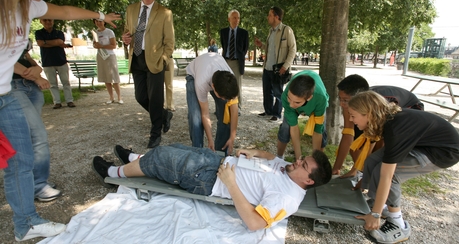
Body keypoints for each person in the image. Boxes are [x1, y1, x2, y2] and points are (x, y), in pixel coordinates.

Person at [1, 0, 120, 241]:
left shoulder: (27, 6)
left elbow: (65, 12)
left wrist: (101, 17)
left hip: (7, 94)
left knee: (21, 161)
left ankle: (26, 224)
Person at [92, 143, 333, 231]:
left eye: (303, 164)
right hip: (218, 162)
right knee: (175, 148)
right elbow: (272, 157)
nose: (297, 160)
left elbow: (255, 223)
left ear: (308, 180)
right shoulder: (290, 170)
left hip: (209, 179)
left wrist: (231, 183)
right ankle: (135, 158)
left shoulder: (287, 199)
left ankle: (114, 173)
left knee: (162, 158)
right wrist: (255, 152)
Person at [348, 91, 459, 243]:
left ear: (367, 114)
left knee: (391, 174)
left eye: (353, 115)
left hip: (443, 152)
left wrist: (374, 216)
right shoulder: (388, 120)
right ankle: (379, 204)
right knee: (373, 161)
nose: (350, 119)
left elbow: (387, 176)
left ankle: (397, 223)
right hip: (424, 144)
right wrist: (365, 182)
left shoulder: (395, 129)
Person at [332, 74, 425, 176]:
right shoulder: (349, 104)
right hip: (373, 114)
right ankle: (361, 173)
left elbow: (375, 138)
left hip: (408, 109)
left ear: (359, 98)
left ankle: (373, 176)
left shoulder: (378, 103)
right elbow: (348, 134)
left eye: (345, 100)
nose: (341, 104)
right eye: (339, 99)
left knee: (379, 152)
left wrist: (360, 170)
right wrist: (336, 168)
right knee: (356, 145)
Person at [122, 0, 175, 148]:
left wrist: (163, 59)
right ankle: (164, 114)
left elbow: (170, 42)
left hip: (156, 60)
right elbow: (127, 30)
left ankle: (155, 134)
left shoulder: (165, 12)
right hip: (137, 57)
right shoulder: (131, 9)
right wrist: (125, 38)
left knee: (155, 98)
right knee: (140, 97)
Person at [12, 39, 62, 202]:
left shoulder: (19, 25)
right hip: (12, 86)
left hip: (29, 85)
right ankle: (37, 185)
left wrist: (37, 69)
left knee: (29, 136)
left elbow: (25, 56)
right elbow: (6, 61)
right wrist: (36, 76)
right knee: (38, 136)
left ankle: (32, 181)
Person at [185, 53, 239, 155]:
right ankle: (197, 153)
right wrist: (210, 140)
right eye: (223, 97)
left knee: (226, 113)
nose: (225, 100)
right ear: (213, 87)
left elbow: (234, 111)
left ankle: (220, 152)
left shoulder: (230, 80)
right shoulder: (201, 83)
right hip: (194, 75)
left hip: (214, 68)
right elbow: (205, 113)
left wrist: (232, 138)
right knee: (195, 117)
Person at [254, 6, 296, 121]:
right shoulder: (271, 31)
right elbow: (270, 49)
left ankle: (277, 114)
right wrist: (261, 45)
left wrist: (285, 66)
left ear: (276, 17)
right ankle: (268, 111)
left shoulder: (286, 30)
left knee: (278, 92)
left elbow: (292, 49)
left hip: (278, 68)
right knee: (267, 91)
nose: (268, 17)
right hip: (267, 67)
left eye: (270, 15)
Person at [276, 70, 329, 159]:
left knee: (321, 130)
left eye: (297, 102)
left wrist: (313, 162)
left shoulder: (320, 99)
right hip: (303, 99)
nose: (291, 105)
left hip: (316, 103)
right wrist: (298, 159)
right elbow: (294, 128)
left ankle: (318, 160)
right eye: (290, 99)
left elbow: (317, 131)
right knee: (285, 128)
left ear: (309, 98)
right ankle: (279, 157)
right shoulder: (285, 96)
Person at [35, 19, 75, 109]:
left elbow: (60, 42)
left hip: (61, 60)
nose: (48, 22)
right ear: (41, 22)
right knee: (52, 84)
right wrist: (54, 43)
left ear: (53, 21)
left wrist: (46, 42)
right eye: (45, 21)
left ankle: (69, 100)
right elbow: (40, 43)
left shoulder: (59, 32)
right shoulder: (38, 32)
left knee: (66, 82)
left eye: (50, 20)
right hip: (47, 61)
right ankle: (57, 102)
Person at [220, 9, 249, 112]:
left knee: (237, 85)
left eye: (238, 18)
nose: (237, 20)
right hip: (226, 61)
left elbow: (245, 49)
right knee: (225, 84)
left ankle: (238, 108)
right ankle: (226, 106)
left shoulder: (244, 33)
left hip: (237, 62)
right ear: (229, 19)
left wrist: (239, 57)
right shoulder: (223, 32)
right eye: (234, 18)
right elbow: (224, 45)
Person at [92, 19, 122, 104]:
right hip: (101, 55)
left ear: (104, 22)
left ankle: (119, 97)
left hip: (110, 55)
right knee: (106, 77)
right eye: (96, 21)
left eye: (100, 21)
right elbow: (94, 44)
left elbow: (113, 45)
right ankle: (111, 97)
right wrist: (96, 45)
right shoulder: (95, 32)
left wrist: (102, 46)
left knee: (114, 77)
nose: (98, 23)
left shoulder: (109, 32)